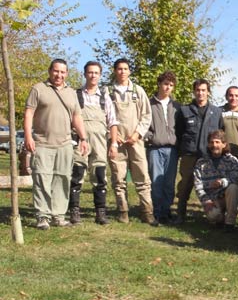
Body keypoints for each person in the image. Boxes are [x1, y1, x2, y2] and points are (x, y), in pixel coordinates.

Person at [24, 58, 89, 229]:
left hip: (65, 144)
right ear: (49, 71)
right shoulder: (38, 89)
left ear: (66, 73)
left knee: (62, 179)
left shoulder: (71, 93)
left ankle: (58, 215)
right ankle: (42, 216)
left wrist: (83, 138)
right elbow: (29, 113)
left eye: (62, 72)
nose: (59, 75)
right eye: (56, 71)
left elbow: (77, 116)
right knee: (42, 179)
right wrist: (28, 137)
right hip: (42, 143)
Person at [68, 61, 118, 226]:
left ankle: (100, 211)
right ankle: (74, 211)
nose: (93, 75)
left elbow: (112, 122)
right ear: (85, 74)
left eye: (96, 73)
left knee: (99, 176)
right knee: (77, 174)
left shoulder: (105, 96)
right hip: (79, 141)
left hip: (99, 143)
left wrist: (114, 143)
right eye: (90, 72)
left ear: (100, 75)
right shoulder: (76, 95)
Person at [107, 58, 156, 225]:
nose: (122, 72)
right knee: (118, 177)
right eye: (119, 69)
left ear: (129, 71)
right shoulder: (107, 91)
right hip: (116, 141)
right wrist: (112, 135)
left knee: (142, 176)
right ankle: (123, 210)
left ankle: (147, 211)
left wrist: (137, 134)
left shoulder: (138, 91)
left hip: (136, 141)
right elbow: (103, 116)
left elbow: (146, 115)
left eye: (125, 68)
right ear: (115, 71)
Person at [174, 79, 223, 224]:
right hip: (190, 154)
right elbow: (179, 132)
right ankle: (180, 214)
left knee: (212, 185)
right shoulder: (184, 110)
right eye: (197, 90)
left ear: (208, 92)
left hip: (209, 155)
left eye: (203, 90)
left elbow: (220, 132)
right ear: (194, 91)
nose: (200, 93)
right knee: (185, 185)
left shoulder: (217, 112)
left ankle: (214, 214)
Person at [145, 71, 180, 224]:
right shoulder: (149, 103)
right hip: (155, 148)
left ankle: (166, 210)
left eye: (171, 85)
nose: (168, 88)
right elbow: (142, 122)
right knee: (156, 181)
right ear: (159, 84)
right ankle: (157, 211)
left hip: (172, 149)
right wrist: (150, 137)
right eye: (166, 84)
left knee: (169, 182)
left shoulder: (176, 106)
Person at [193, 130, 238, 232]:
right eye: (211, 142)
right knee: (214, 216)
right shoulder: (201, 162)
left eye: (217, 142)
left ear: (224, 144)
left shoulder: (232, 160)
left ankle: (230, 223)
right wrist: (206, 201)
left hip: (227, 197)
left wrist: (222, 182)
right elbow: (198, 186)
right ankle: (220, 218)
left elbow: (235, 178)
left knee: (233, 188)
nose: (214, 145)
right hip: (212, 200)